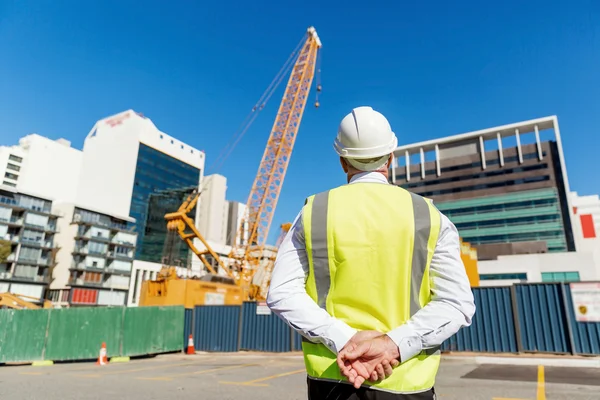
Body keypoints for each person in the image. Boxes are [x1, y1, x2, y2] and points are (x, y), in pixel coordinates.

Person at [266, 106, 476, 399]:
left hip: (333, 380)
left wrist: (345, 340)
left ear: (342, 161)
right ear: (391, 156)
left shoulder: (314, 213)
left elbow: (281, 293)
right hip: (407, 382)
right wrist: (392, 344)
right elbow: (456, 304)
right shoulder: (429, 216)